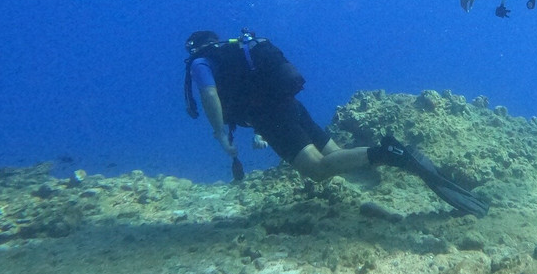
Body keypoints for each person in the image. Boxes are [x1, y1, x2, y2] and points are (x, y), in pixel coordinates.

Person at [183, 29, 488, 216]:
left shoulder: (201, 61)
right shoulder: (238, 53)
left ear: (193, 48)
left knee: (316, 169)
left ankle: (390, 154)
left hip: (272, 116)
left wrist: (219, 132)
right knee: (337, 157)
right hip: (290, 106)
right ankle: (388, 154)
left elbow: (209, 94)